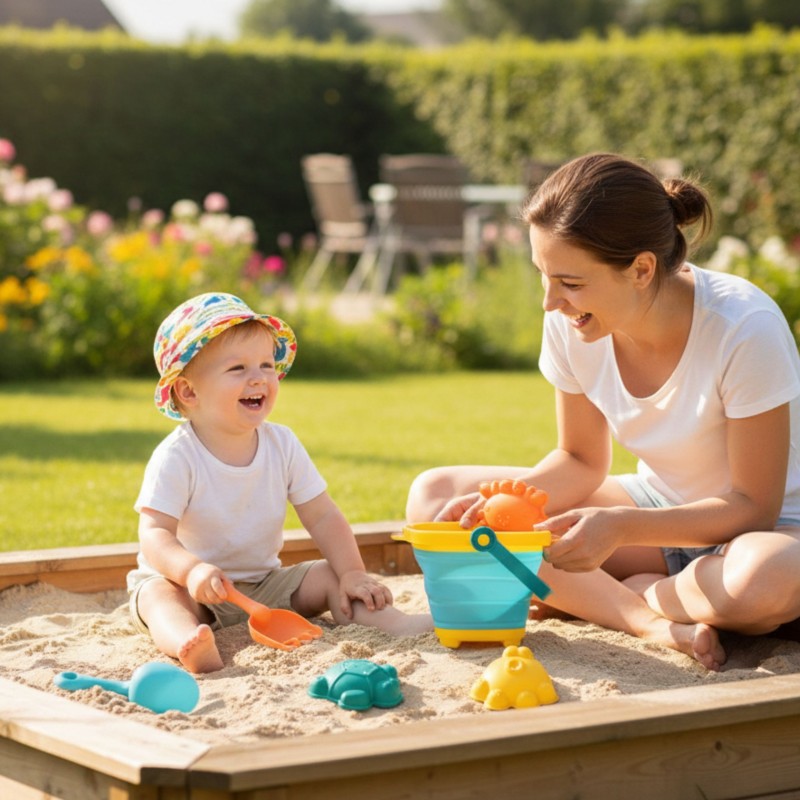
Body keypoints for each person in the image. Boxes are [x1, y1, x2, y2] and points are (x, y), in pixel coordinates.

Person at [406, 153, 800, 671]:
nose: (551, 302)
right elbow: (579, 458)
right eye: (544, 276)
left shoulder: (743, 326)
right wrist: (502, 509)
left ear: (641, 269)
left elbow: (754, 506)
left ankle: (634, 596)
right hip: (655, 505)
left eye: (570, 283)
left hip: (766, 531)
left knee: (765, 578)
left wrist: (619, 528)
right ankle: (650, 621)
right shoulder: (575, 323)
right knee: (436, 496)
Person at [128, 292, 431, 673]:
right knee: (157, 597)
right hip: (191, 588)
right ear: (189, 391)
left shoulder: (281, 444)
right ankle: (187, 641)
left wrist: (352, 571)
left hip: (264, 586)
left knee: (330, 575)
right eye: (237, 369)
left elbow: (322, 515)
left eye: (267, 365)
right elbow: (154, 533)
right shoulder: (178, 456)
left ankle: (392, 622)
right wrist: (190, 571)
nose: (258, 378)